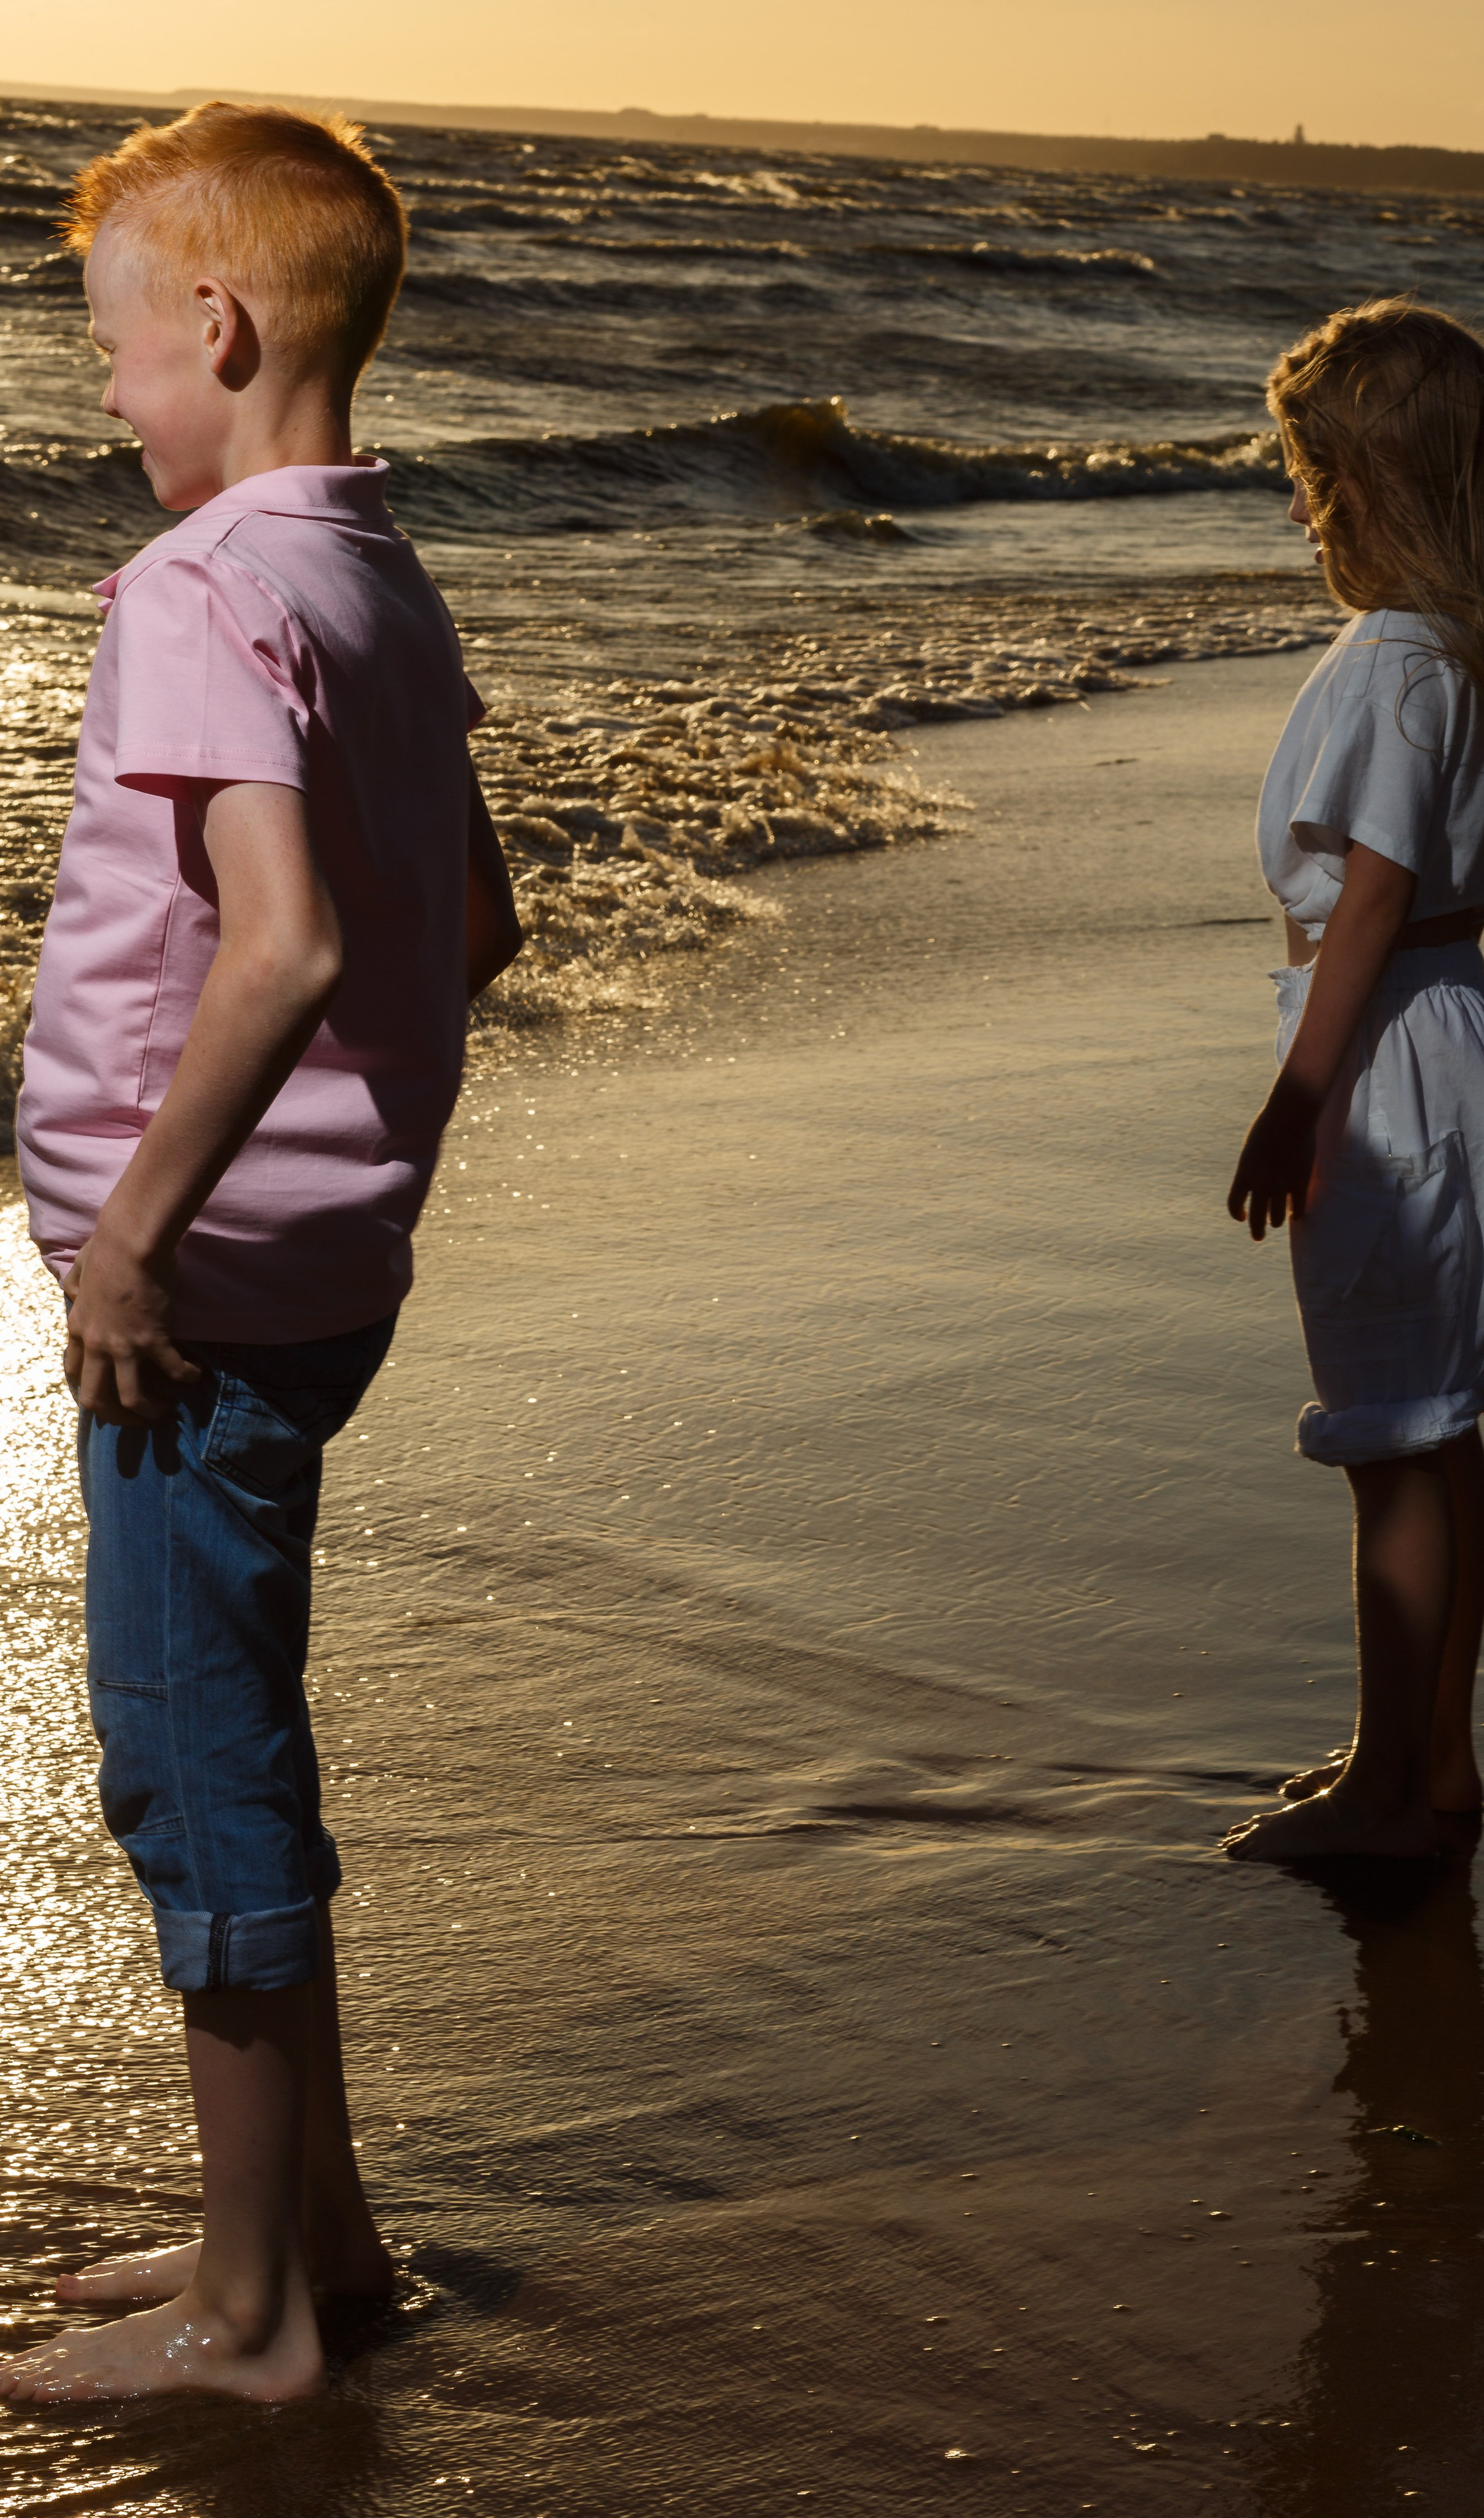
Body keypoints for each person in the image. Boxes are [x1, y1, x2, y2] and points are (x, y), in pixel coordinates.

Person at [0, 102, 523, 2400]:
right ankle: (324, 2243)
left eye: (111, 355)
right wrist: (345, 1159)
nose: (102, 404)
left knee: (193, 1776)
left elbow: (286, 946)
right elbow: (473, 920)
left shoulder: (203, 589)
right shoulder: (372, 578)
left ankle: (254, 2319)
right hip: (320, 1280)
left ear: (211, 326)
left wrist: (132, 1240)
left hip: (193, 1313)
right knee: (240, 1744)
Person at [1222, 297, 1484, 1864]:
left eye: (1311, 477)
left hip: (1389, 1049)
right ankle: (1421, 1765)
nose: (1296, 504)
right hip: (1448, 1031)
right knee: (1430, 1428)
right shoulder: (1463, 648)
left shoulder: (1399, 660)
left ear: (1378, 489)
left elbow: (1377, 893)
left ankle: (1386, 1791)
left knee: (1390, 1435)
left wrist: (1294, 1097)